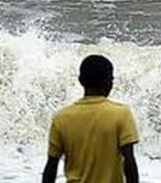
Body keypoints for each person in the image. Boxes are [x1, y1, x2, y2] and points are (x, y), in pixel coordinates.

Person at [42, 54, 140, 183]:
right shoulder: (121, 113)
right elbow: (129, 162)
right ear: (109, 81)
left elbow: (51, 166)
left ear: (81, 80)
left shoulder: (61, 117)